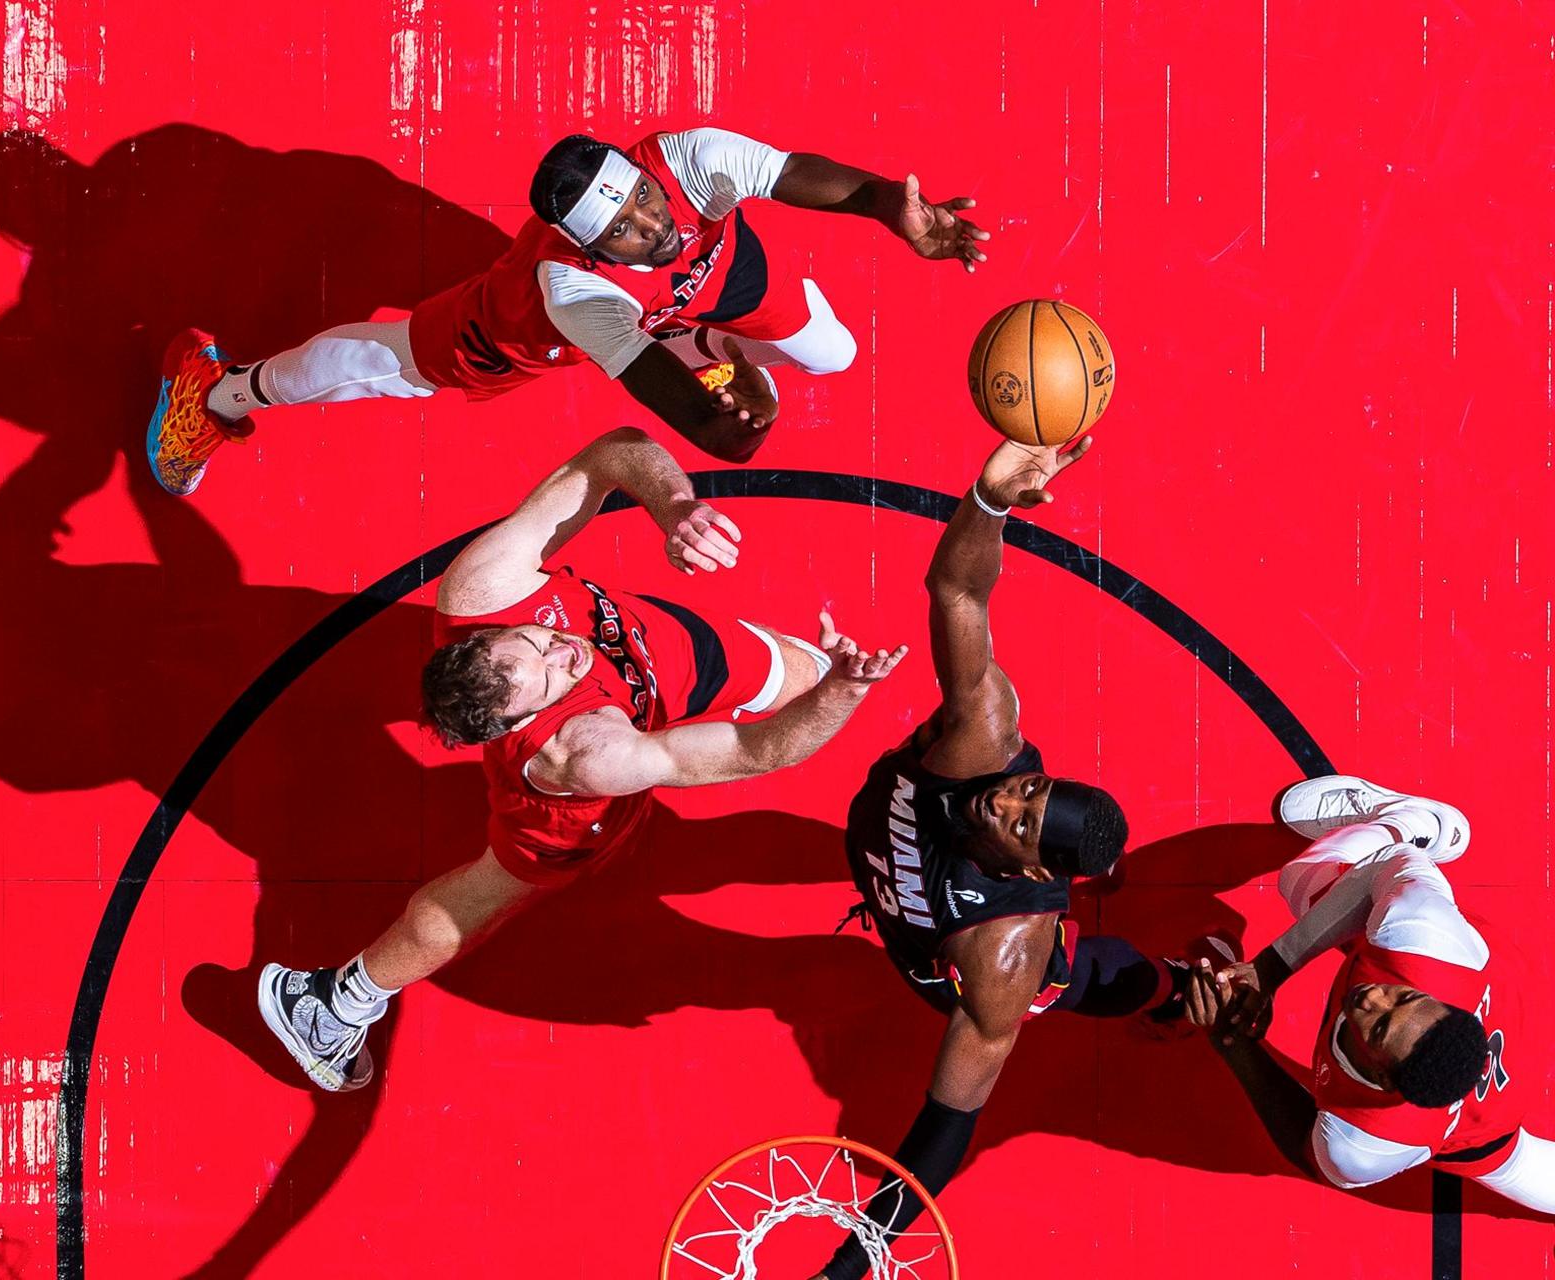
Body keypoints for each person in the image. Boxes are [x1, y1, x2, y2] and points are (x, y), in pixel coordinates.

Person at [258, 426, 907, 1090]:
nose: (564, 646)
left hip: (672, 659)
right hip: (590, 787)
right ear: (525, 718)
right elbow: (758, 751)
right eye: (551, 670)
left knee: (810, 668)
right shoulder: (591, 754)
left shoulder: (482, 587)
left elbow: (610, 453)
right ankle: (335, 1001)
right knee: (491, 893)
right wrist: (848, 692)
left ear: (485, 631)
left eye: (533, 637)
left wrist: (676, 507)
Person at [812, 436, 1219, 1280]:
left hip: (947, 952)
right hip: (886, 842)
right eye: (1030, 792)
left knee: (1089, 983)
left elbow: (943, 1129)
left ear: (1035, 873)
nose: (1007, 800)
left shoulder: (1006, 957)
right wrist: (991, 499)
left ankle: (1177, 991)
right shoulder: (984, 740)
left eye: (1022, 823)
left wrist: (849, 1266)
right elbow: (956, 588)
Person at [145, 127, 991, 493]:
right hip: (537, 334)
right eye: (624, 233)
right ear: (592, 249)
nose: (655, 231)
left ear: (648, 173)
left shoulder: (693, 159)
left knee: (835, 356)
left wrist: (889, 207)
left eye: (649, 205)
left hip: (725, 280)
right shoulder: (569, 290)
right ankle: (224, 390)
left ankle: (709, 335)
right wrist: (731, 417)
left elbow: (799, 173)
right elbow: (674, 402)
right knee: (393, 366)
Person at [1180, 774, 1553, 1214]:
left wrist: (1233, 1043)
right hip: (1507, 989)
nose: (1372, 998)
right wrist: (1271, 967)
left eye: (1377, 1027)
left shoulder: (1369, 1142)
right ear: (1444, 1006)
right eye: (1406, 998)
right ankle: (1407, 819)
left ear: (1382, 1080)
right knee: (1302, 882)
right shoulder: (1424, 935)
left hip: (1487, 1135)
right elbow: (1389, 864)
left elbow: (1307, 1147)